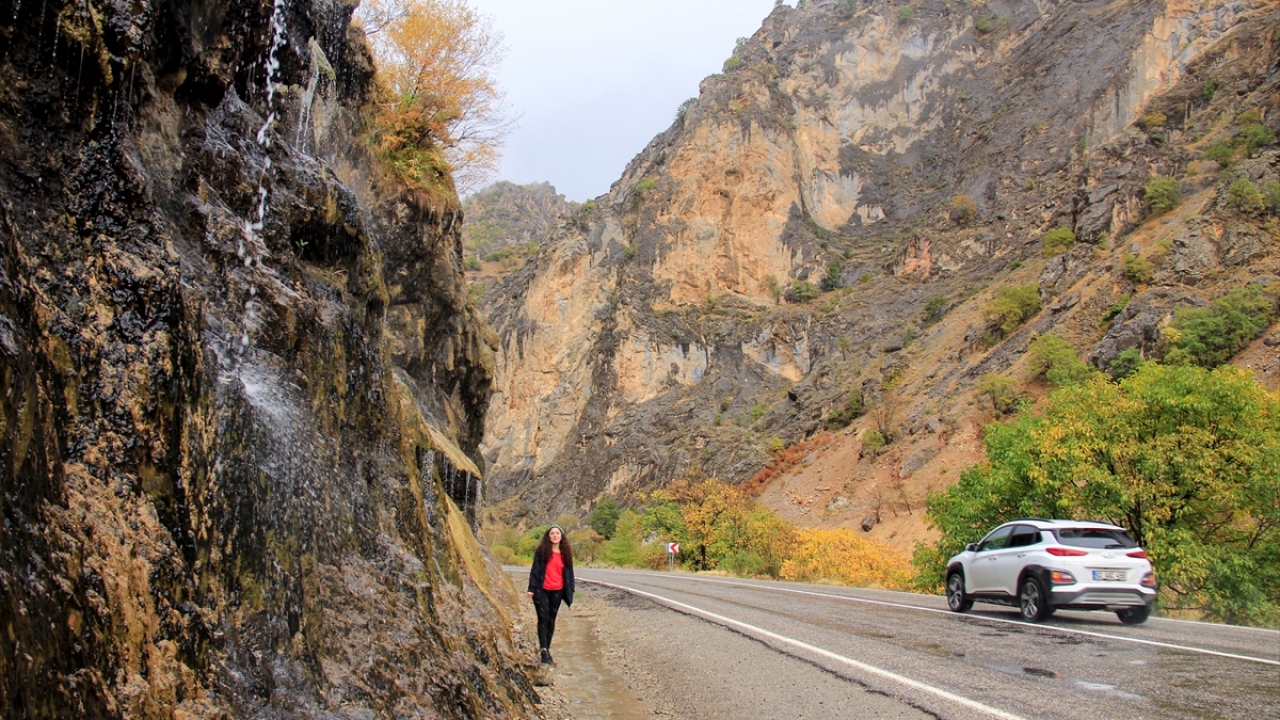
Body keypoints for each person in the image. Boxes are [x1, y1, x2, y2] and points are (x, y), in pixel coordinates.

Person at [527, 525, 575, 665]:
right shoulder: (542, 551)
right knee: (543, 618)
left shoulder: (566, 553)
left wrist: (571, 589)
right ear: (548, 536)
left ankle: (547, 648)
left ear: (561, 536)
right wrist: (531, 588)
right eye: (552, 533)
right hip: (542, 589)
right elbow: (535, 570)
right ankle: (543, 651)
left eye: (557, 533)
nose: (554, 535)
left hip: (558, 590)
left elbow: (569, 573)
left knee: (551, 620)